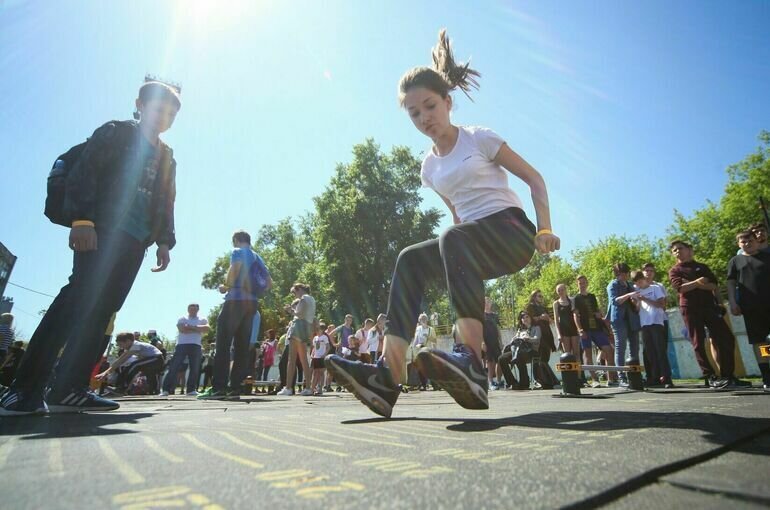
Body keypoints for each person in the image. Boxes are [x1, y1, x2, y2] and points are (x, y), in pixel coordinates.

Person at [325, 29, 560, 418]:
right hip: (470, 241)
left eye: (430, 106)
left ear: (448, 102)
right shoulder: (429, 167)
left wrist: (545, 228)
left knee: (453, 237)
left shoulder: (478, 139)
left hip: (512, 231)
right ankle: (387, 376)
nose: (424, 118)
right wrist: (465, 273)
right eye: (414, 113)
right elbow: (457, 218)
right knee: (410, 259)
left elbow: (534, 179)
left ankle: (470, 359)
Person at [1, 81, 180, 416]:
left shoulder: (167, 156)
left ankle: (69, 388)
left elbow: (166, 202)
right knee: (77, 300)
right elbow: (86, 175)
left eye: (171, 114)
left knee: (103, 311)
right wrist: (82, 220)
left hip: (135, 240)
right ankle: (23, 389)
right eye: (158, 109)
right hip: (102, 229)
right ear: (140, 105)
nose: (164, 117)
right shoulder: (115, 134)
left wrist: (164, 242)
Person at [199, 230, 271, 400]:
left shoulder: (238, 252)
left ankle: (219, 388)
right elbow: (269, 283)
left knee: (223, 343)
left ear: (236, 240)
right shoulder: (258, 257)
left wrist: (227, 285)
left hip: (235, 301)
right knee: (241, 347)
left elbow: (236, 269)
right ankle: (235, 387)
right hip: (251, 304)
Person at [668, 240, 741, 389]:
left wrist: (693, 284)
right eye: (674, 250)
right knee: (698, 341)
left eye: (680, 248)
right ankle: (710, 376)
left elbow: (713, 285)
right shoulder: (674, 270)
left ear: (689, 250)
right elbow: (681, 288)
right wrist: (699, 282)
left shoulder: (702, 267)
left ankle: (728, 375)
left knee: (726, 338)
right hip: (690, 308)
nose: (677, 252)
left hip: (709, 307)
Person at [727, 230, 770, 390]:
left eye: (750, 240)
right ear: (739, 244)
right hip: (751, 308)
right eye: (743, 242)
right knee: (761, 342)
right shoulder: (735, 261)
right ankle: (767, 376)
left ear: (756, 241)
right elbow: (731, 283)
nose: (747, 243)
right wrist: (732, 302)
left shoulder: (767, 257)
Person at [573, 275, 617, 387]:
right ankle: (594, 380)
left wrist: (601, 317)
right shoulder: (576, 299)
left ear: (587, 283)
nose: (582, 285)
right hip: (585, 329)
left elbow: (597, 311)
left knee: (608, 350)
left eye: (583, 282)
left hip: (597, 328)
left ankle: (610, 379)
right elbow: (575, 315)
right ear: (577, 284)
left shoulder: (592, 296)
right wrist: (580, 329)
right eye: (580, 283)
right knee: (588, 354)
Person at [633, 271, 673, 388]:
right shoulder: (638, 292)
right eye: (636, 283)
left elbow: (661, 304)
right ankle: (655, 377)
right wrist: (638, 301)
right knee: (649, 352)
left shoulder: (655, 288)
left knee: (660, 350)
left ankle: (667, 377)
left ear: (643, 279)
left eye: (640, 281)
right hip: (644, 324)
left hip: (656, 322)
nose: (639, 284)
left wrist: (645, 299)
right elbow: (636, 310)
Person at [95, 332, 165, 397]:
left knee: (134, 365)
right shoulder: (131, 347)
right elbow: (118, 361)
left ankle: (122, 388)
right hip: (153, 361)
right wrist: (106, 372)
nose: (121, 347)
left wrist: (106, 372)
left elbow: (122, 360)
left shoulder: (136, 345)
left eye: (121, 344)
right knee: (148, 374)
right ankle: (153, 390)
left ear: (128, 341)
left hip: (156, 359)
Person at [160, 304, 209, 397]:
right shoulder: (182, 318)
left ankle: (191, 390)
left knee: (195, 368)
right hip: (181, 345)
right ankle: (165, 389)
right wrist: (198, 329)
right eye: (191, 309)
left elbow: (207, 329)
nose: (192, 310)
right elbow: (182, 329)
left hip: (196, 345)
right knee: (174, 367)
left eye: (195, 309)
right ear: (188, 309)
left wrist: (190, 327)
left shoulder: (203, 319)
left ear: (198, 310)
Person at [606, 263, 642, 386]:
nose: (626, 275)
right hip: (619, 320)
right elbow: (615, 301)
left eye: (626, 273)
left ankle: (635, 375)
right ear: (618, 274)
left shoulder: (630, 285)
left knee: (635, 347)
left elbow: (635, 303)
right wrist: (629, 295)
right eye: (623, 273)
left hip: (632, 319)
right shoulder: (612, 285)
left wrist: (637, 302)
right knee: (620, 348)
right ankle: (622, 377)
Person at [277, 283, 315, 396]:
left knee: (291, 359)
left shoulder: (304, 298)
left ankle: (288, 388)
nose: (294, 295)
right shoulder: (312, 299)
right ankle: (308, 387)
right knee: (304, 359)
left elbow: (299, 314)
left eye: (294, 292)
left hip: (298, 326)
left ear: (299, 290)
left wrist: (290, 310)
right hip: (306, 327)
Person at [499, 311, 541, 390]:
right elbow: (512, 342)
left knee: (519, 355)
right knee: (502, 358)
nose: (525, 319)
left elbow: (537, 339)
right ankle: (513, 383)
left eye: (527, 317)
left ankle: (524, 383)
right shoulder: (520, 330)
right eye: (523, 318)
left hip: (531, 351)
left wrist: (528, 339)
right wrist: (514, 339)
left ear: (531, 318)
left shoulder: (536, 327)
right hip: (518, 351)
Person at [526, 290, 559, 389]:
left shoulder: (543, 307)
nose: (541, 298)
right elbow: (530, 319)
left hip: (547, 333)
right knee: (538, 357)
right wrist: (541, 317)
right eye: (539, 296)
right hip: (538, 334)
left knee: (545, 357)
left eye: (541, 296)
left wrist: (548, 319)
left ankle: (546, 380)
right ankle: (538, 380)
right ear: (534, 297)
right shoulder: (530, 306)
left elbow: (550, 321)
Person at [409, 313, 437, 390]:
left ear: (427, 320)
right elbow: (416, 339)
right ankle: (423, 385)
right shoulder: (418, 329)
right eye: (421, 319)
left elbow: (434, 340)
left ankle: (435, 385)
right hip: (419, 350)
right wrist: (413, 347)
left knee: (429, 368)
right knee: (420, 368)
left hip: (427, 350)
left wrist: (428, 337)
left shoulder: (431, 329)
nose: (423, 320)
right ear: (419, 320)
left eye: (424, 319)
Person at [553, 285, 580, 360]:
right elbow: (556, 320)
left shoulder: (572, 300)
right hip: (564, 330)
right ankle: (569, 371)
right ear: (557, 292)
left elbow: (576, 314)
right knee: (567, 354)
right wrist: (558, 334)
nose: (561, 292)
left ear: (565, 290)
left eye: (562, 290)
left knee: (576, 353)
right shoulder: (556, 303)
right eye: (559, 290)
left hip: (573, 328)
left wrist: (579, 329)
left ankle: (578, 371)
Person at [482, 298, 504, 390]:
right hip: (487, 341)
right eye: (485, 302)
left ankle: (499, 381)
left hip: (495, 341)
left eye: (489, 302)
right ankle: (490, 382)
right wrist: (482, 342)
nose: (487, 303)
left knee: (500, 360)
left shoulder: (495, 315)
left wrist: (501, 341)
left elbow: (498, 329)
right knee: (490, 362)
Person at [310, 323, 331, 395]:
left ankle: (320, 388)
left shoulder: (324, 337)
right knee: (315, 373)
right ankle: (312, 388)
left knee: (321, 373)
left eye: (319, 329)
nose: (317, 331)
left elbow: (328, 347)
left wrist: (324, 355)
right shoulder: (315, 338)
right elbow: (314, 347)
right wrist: (312, 354)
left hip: (321, 357)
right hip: (315, 357)